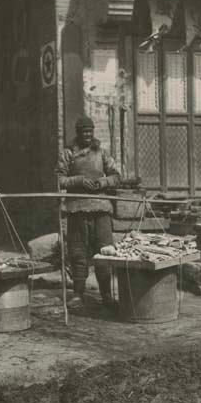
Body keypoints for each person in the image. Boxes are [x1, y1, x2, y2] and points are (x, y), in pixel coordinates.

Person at [56, 116, 121, 308]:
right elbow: (59, 179)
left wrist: (103, 182)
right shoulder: (67, 154)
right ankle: (78, 294)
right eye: (84, 132)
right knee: (78, 253)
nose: (87, 135)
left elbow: (116, 176)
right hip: (76, 209)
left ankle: (107, 295)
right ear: (78, 133)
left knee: (104, 251)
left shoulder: (102, 153)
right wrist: (78, 180)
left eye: (90, 132)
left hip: (101, 208)